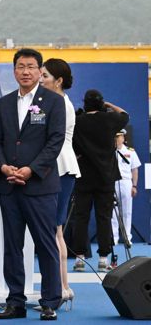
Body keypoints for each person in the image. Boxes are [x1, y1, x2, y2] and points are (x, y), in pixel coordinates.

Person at [0, 48, 64, 320]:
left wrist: (31, 170)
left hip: (40, 186)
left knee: (45, 244)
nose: (25, 72)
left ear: (39, 71)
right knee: (12, 246)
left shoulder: (53, 102)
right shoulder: (5, 103)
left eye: (31, 67)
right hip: (9, 185)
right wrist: (3, 166)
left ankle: (49, 301)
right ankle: (15, 301)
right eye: (20, 66)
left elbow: (55, 141)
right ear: (14, 70)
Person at [70, 90, 129, 273]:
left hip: (83, 176)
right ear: (101, 104)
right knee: (104, 218)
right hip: (106, 177)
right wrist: (109, 106)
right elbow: (124, 115)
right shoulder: (109, 119)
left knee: (81, 217)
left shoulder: (77, 121)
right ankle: (104, 258)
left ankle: (79, 258)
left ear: (85, 103)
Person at [40, 58, 80, 306]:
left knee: (55, 231)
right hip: (57, 166)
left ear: (59, 80)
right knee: (55, 231)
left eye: (44, 75)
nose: (40, 79)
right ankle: (62, 286)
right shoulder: (54, 102)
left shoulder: (61, 105)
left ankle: (62, 287)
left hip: (60, 166)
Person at [111, 129, 140, 249]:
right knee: (113, 212)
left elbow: (135, 169)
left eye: (119, 137)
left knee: (127, 211)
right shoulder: (109, 152)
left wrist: (134, 185)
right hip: (112, 183)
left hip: (126, 182)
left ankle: (127, 237)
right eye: (115, 137)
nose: (117, 139)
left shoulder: (130, 152)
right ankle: (114, 237)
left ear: (123, 138)